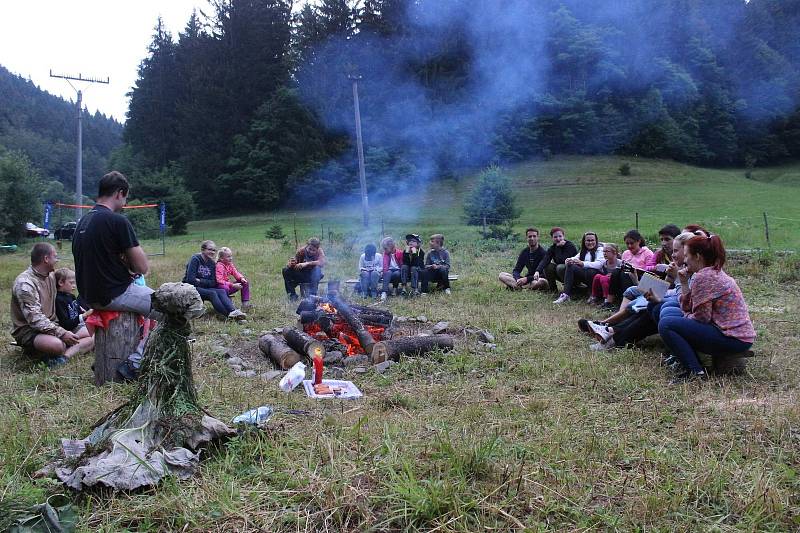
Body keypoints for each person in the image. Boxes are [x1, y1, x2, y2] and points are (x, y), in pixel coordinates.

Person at [658, 233, 754, 383]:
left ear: (697, 256)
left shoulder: (704, 278)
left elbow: (701, 318)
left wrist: (686, 316)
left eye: (687, 254)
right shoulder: (709, 272)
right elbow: (689, 308)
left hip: (733, 338)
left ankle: (695, 371)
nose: (685, 259)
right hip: (729, 332)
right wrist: (683, 283)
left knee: (667, 324)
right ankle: (691, 363)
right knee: (670, 313)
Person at [72, 171, 157, 318]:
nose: (125, 203)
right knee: (171, 307)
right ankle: (166, 341)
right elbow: (142, 267)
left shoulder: (83, 222)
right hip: (114, 294)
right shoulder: (117, 221)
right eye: (126, 198)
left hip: (89, 297)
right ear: (119, 193)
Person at [10, 244, 93, 366]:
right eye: (55, 257)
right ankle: (49, 349)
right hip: (30, 331)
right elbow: (35, 320)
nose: (57, 260)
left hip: (55, 325)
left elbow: (68, 278)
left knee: (93, 334)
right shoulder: (25, 284)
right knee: (57, 345)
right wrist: (62, 333)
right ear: (46, 259)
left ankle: (64, 357)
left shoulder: (51, 276)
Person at [184, 240, 246, 319]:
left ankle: (233, 311)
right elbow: (190, 280)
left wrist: (200, 280)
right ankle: (228, 316)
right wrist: (205, 282)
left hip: (204, 287)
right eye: (210, 249)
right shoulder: (195, 259)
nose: (212, 252)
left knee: (221, 291)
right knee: (212, 293)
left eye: (214, 250)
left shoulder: (212, 263)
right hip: (191, 287)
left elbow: (213, 282)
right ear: (203, 250)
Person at [554, 231, 604, 304]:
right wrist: (568, 260)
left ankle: (593, 295)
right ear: (584, 241)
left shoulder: (600, 250)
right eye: (588, 240)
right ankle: (566, 294)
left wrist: (582, 263)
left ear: (596, 241)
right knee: (571, 266)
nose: (590, 242)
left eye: (592, 240)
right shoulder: (583, 251)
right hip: (586, 276)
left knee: (590, 270)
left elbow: (599, 264)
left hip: (598, 276)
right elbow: (574, 258)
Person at [607, 229, 654, 304]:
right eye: (627, 243)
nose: (629, 246)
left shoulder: (648, 253)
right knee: (616, 271)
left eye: (632, 243)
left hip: (640, 279)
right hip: (625, 277)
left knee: (625, 273)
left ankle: (626, 301)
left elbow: (650, 270)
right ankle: (609, 300)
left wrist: (636, 270)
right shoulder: (626, 253)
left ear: (639, 241)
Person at [54, 267, 95, 342]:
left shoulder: (71, 296)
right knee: (92, 334)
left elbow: (79, 312)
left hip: (79, 325)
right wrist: (84, 315)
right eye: (71, 283)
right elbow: (66, 324)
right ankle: (70, 340)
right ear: (60, 283)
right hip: (71, 329)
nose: (74, 286)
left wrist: (84, 313)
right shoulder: (58, 300)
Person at [535, 227, 578, 292]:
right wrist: (537, 271)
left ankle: (571, 288)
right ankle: (553, 289)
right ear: (552, 238)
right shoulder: (553, 248)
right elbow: (545, 259)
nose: (558, 239)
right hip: (562, 273)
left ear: (564, 236)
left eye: (560, 236)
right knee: (548, 266)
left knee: (560, 267)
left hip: (574, 272)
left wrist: (558, 248)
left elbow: (563, 260)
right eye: (555, 237)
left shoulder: (570, 246)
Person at [380, 237, 404, 301]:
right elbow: (385, 264)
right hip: (389, 270)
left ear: (391, 246)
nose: (384, 250)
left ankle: (395, 288)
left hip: (398, 270)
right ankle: (384, 292)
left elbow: (402, 264)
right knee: (387, 273)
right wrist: (384, 272)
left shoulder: (399, 253)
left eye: (385, 248)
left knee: (396, 274)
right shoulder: (385, 254)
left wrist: (403, 272)